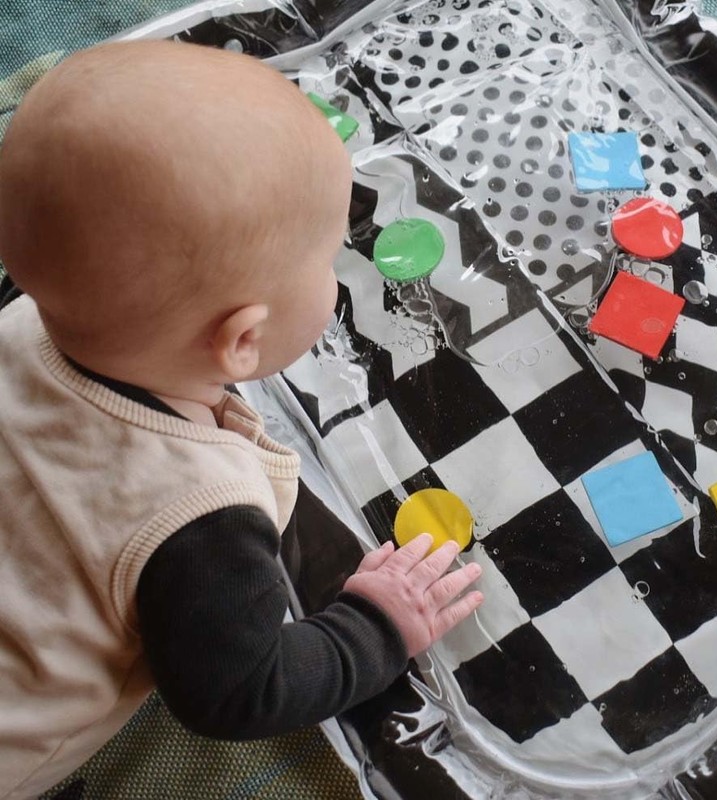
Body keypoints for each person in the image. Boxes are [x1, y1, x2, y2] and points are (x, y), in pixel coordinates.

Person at [0, 40, 484, 799]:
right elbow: (239, 690)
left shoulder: (23, 316)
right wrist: (374, 628)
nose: (335, 274)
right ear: (242, 341)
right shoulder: (199, 514)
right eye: (326, 261)